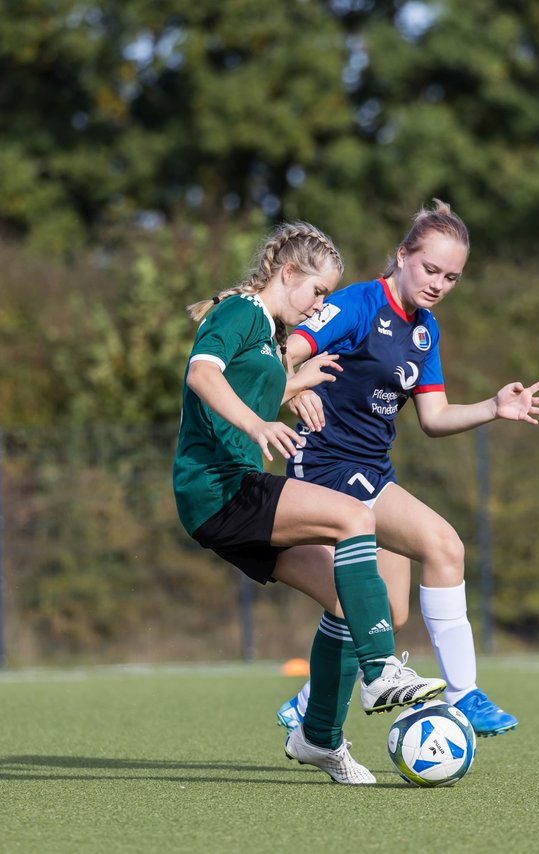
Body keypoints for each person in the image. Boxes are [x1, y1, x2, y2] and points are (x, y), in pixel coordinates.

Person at [173, 222, 446, 785]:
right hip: (219, 487)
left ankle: (318, 738)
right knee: (355, 515)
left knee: (347, 601)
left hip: (228, 491)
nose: (322, 304)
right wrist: (260, 420)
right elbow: (201, 374)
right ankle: (378, 672)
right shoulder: (243, 311)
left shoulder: (267, 332)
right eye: (318, 292)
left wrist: (295, 387)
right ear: (287, 273)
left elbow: (247, 385)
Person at [275, 200, 539, 737]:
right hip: (327, 465)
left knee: (389, 615)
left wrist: (494, 408)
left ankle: (308, 704)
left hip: (372, 470)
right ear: (402, 255)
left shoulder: (425, 331)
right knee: (445, 546)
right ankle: (464, 694)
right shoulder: (358, 302)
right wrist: (293, 383)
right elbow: (286, 347)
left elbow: (435, 416)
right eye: (430, 269)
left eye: (452, 277)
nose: (439, 284)